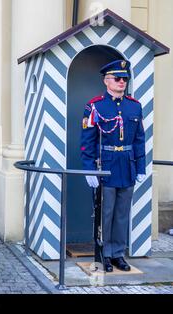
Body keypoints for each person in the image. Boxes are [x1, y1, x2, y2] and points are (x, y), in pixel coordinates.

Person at [81, 60, 146, 272]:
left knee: (122, 213)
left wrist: (141, 167)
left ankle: (118, 254)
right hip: (106, 166)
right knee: (105, 212)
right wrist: (90, 168)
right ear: (106, 81)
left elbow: (139, 139)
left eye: (124, 78)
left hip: (127, 166)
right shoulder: (95, 106)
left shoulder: (134, 106)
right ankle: (105, 254)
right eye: (117, 78)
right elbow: (87, 140)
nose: (121, 82)